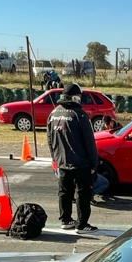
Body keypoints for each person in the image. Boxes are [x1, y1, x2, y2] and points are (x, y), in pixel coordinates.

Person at [47, 83, 99, 233]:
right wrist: (94, 163)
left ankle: (65, 219)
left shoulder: (53, 113)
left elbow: (50, 139)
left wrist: (55, 158)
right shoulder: (79, 115)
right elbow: (89, 141)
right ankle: (82, 224)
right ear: (76, 97)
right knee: (83, 193)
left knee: (64, 192)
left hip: (62, 162)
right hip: (80, 163)